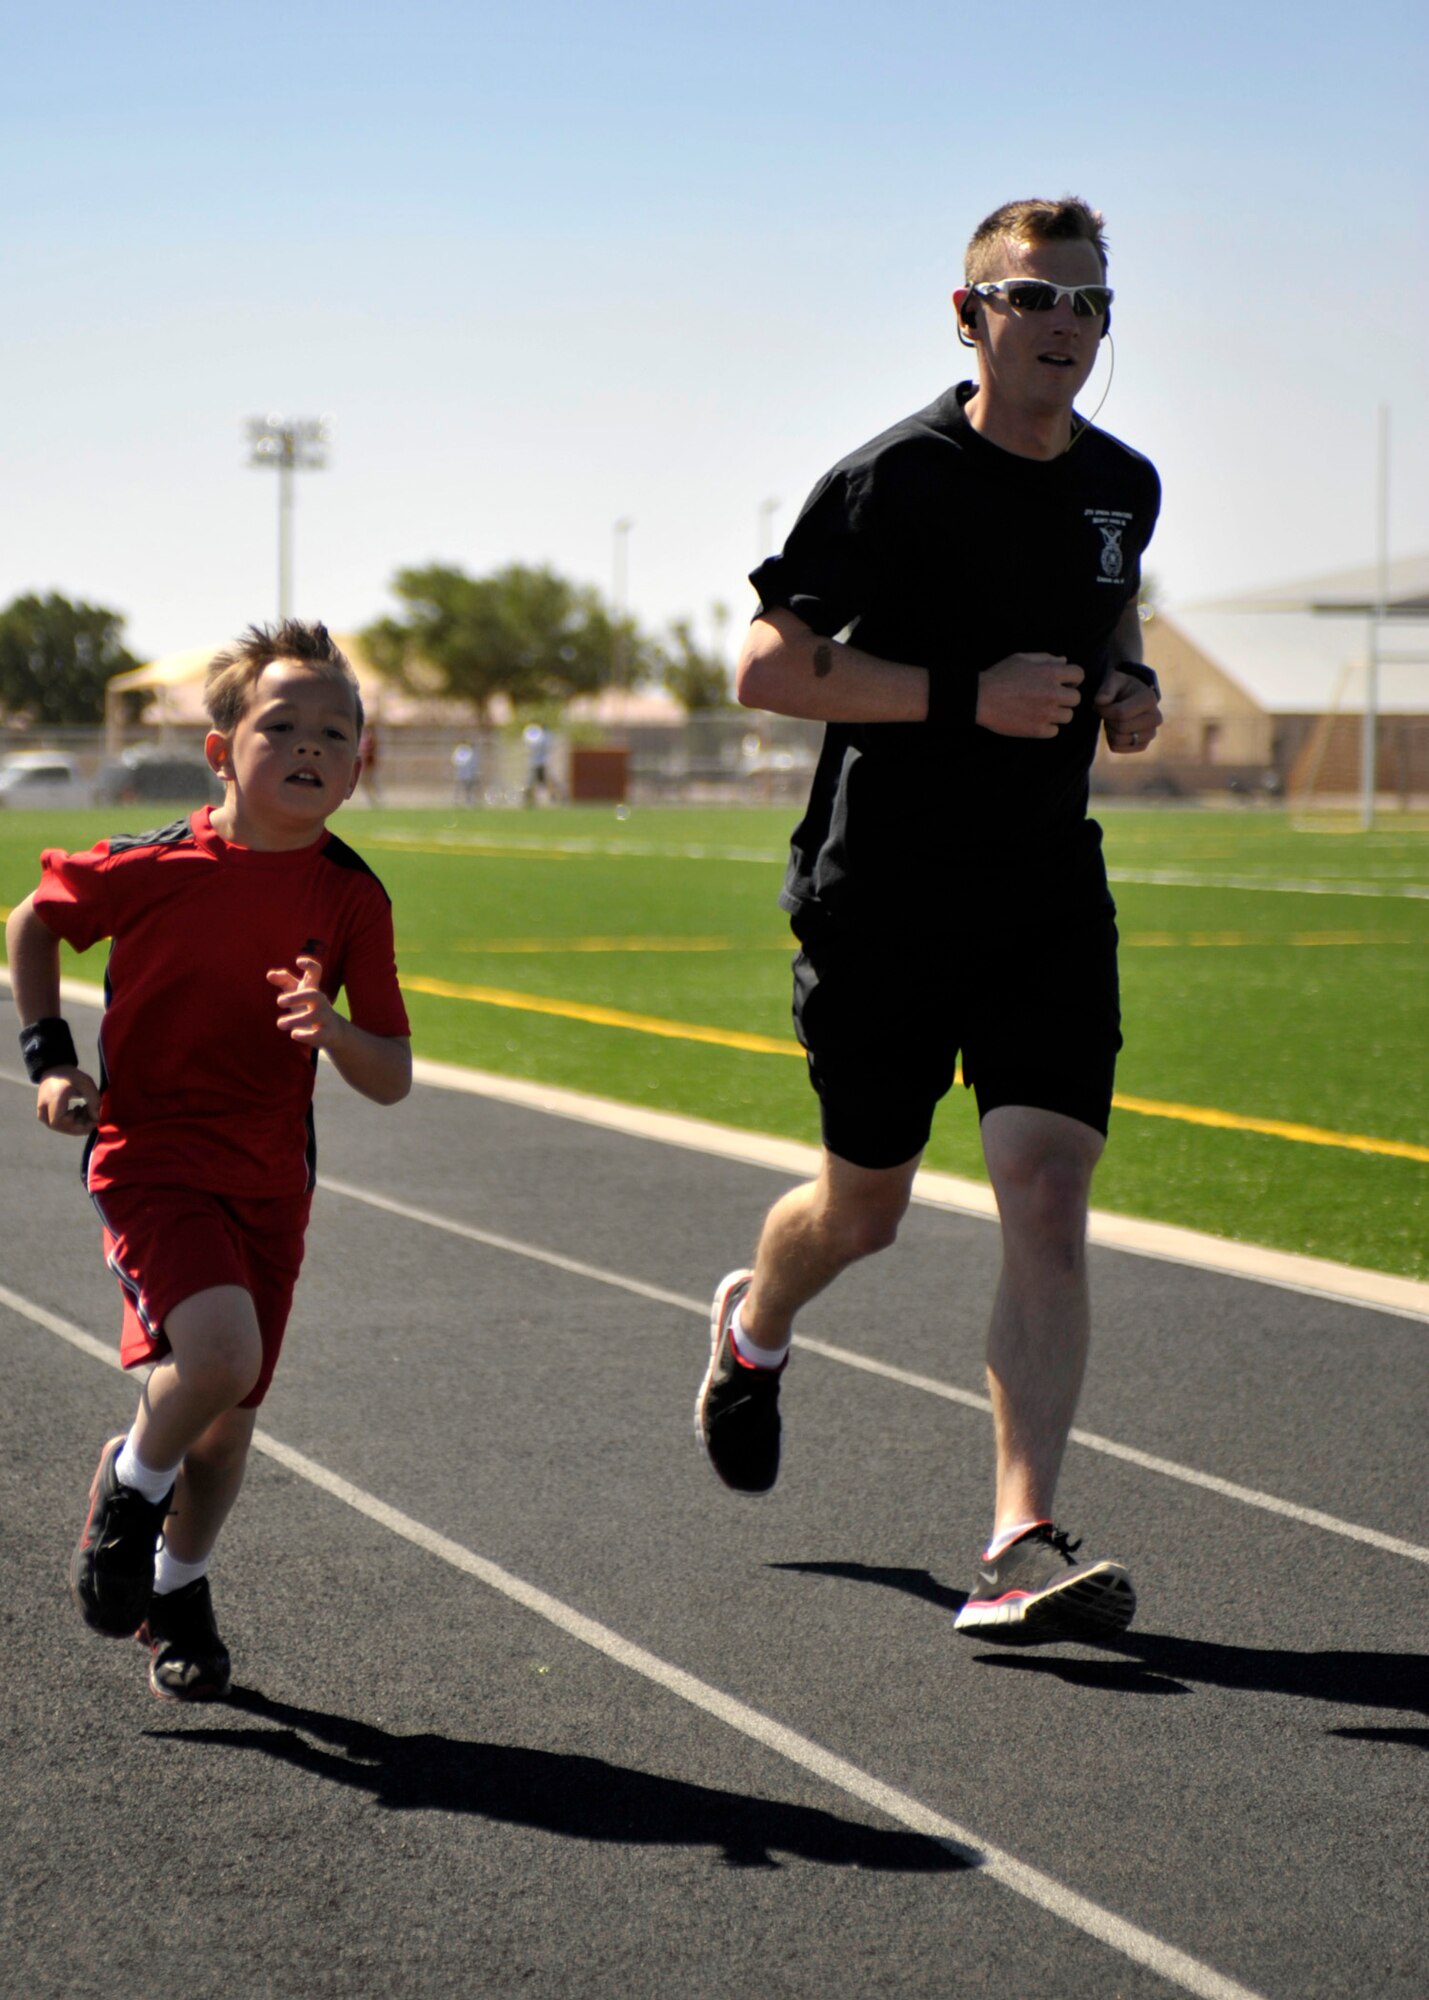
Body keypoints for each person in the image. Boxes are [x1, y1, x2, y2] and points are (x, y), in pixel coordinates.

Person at [694, 197, 1163, 1643]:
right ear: (967, 316)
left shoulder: (1125, 487)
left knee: (1045, 1191)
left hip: (1040, 895)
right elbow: (765, 675)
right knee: (865, 1211)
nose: (1064, 325)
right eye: (1032, 297)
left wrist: (1125, 687)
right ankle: (753, 1330)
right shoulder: (891, 480)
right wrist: (967, 697)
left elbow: (1104, 622)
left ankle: (1018, 1537)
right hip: (880, 897)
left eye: (1089, 302)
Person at [6, 620, 412, 1701]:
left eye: (335, 730)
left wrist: (331, 1030)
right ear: (221, 747)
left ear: (358, 764)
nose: (310, 745)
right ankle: (128, 1490)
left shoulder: (351, 897)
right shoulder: (154, 865)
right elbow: (31, 925)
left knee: (228, 1431)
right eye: (280, 725)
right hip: (150, 1157)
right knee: (219, 1356)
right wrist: (46, 1058)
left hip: (273, 1175)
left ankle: (178, 1588)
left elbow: (393, 1073)